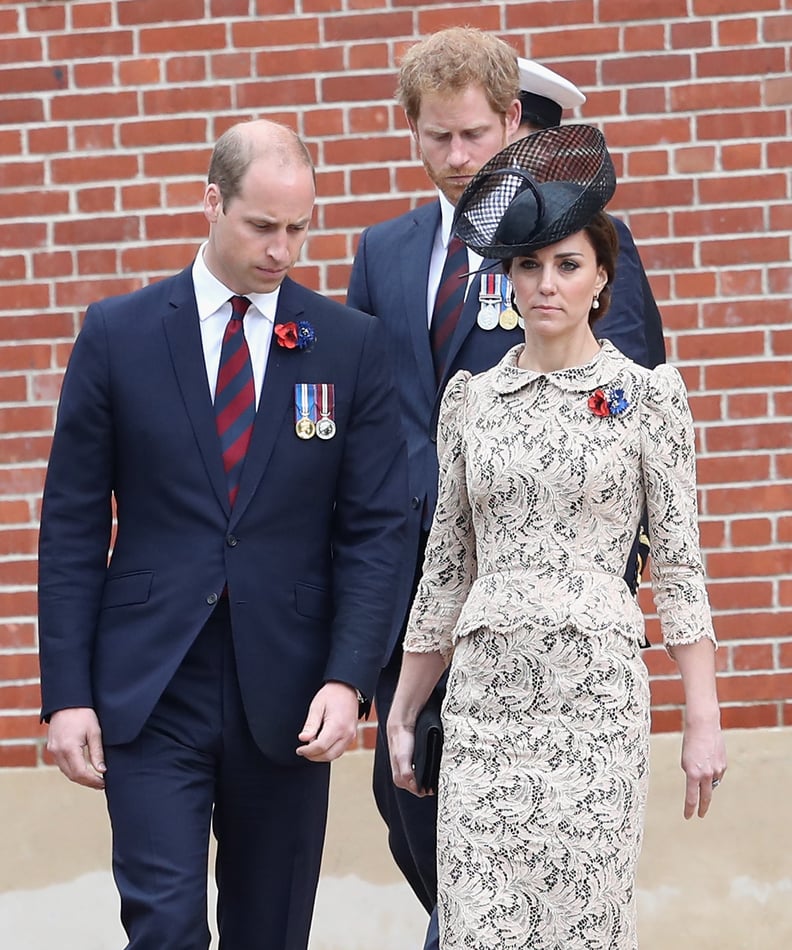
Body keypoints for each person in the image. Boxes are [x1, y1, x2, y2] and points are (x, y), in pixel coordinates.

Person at [37, 119, 408, 950]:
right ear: (212, 203)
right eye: (262, 226)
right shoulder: (118, 335)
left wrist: (350, 681)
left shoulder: (349, 346)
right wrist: (65, 695)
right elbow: (69, 525)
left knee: (269, 932)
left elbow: (376, 532)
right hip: (150, 683)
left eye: (299, 229)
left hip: (287, 692)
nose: (283, 250)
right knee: (164, 927)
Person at [346, 27, 665, 944]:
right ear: (413, 134)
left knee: (516, 866)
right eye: (438, 137)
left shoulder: (574, 245)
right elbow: (372, 426)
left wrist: (601, 573)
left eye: (474, 136)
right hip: (413, 601)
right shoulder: (384, 252)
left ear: (512, 126)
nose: (456, 157)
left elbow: (628, 415)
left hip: (535, 610)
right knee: (410, 815)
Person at [387, 123, 727, 949]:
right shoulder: (469, 401)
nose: (547, 284)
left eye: (567, 264)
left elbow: (679, 567)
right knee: (477, 924)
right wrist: (403, 708)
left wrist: (703, 719)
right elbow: (446, 569)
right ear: (507, 276)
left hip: (595, 702)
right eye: (529, 265)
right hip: (486, 708)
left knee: (583, 923)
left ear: (602, 277)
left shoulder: (646, 398)